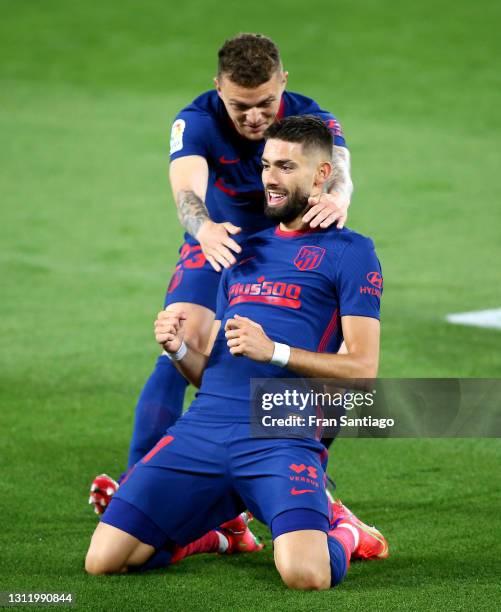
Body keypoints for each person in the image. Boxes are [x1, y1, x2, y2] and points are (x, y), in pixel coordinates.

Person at [85, 116, 387, 589]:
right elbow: (215, 377)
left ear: (322, 175)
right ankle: (216, 536)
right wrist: (181, 348)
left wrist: (276, 352)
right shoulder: (242, 253)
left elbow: (363, 369)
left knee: (305, 574)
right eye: (266, 165)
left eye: (285, 166)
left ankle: (345, 532)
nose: (269, 177)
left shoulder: (351, 252)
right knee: (105, 559)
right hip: (204, 429)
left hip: (279, 434)